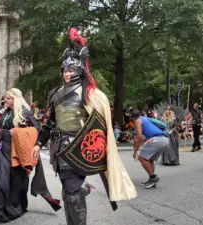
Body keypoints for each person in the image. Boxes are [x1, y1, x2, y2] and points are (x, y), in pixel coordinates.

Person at [35, 28, 137, 225]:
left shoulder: (90, 94)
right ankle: (84, 189)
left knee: (72, 195)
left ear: (80, 69)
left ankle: (80, 196)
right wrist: (38, 144)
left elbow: (99, 125)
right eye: (65, 69)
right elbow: (49, 123)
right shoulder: (55, 94)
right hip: (60, 149)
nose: (67, 73)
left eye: (71, 69)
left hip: (80, 149)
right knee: (68, 192)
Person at [0, 84, 60, 222]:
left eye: (9, 98)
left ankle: (16, 209)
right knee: (1, 181)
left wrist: (22, 136)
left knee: (18, 181)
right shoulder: (4, 113)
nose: (6, 101)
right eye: (5, 99)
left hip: (20, 152)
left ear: (16, 99)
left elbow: (36, 131)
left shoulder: (26, 113)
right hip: (5, 150)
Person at [132, 110, 169, 189]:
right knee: (149, 159)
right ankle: (152, 181)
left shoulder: (138, 121)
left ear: (132, 118)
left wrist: (135, 152)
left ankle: (153, 178)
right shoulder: (145, 119)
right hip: (164, 139)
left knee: (141, 157)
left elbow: (139, 137)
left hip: (156, 139)